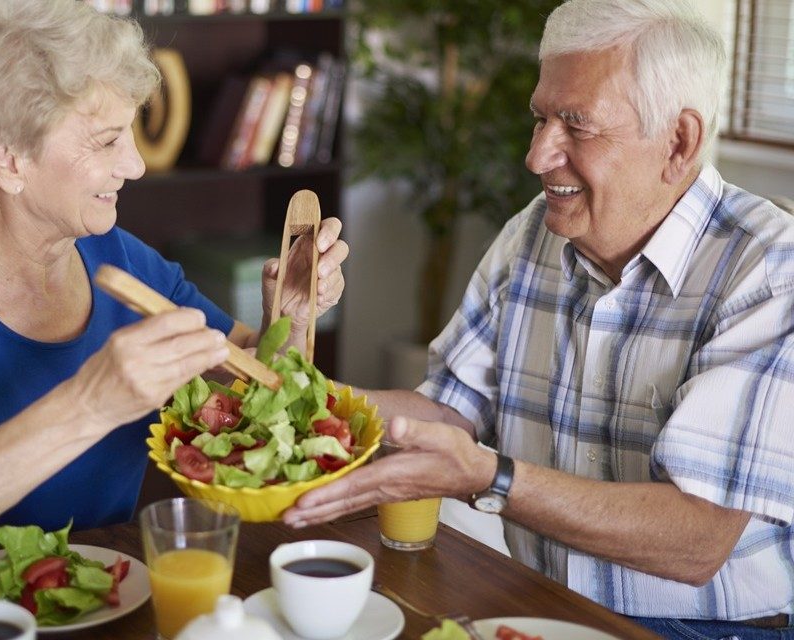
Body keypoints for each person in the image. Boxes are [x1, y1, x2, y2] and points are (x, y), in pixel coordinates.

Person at [284, 0, 794, 636]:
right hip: (544, 604)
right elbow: (447, 411)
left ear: (679, 141)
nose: (536, 156)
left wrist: (489, 477)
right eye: (540, 119)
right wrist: (290, 390)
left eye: (576, 126)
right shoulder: (533, 234)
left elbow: (695, 542)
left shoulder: (770, 270)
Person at [0, 0, 347, 578]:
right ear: (6, 159)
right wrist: (89, 404)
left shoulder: (119, 257)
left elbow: (253, 380)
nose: (135, 164)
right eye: (106, 141)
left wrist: (293, 319)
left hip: (110, 599)